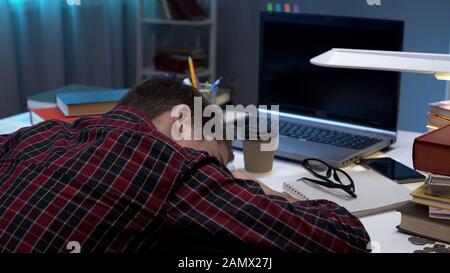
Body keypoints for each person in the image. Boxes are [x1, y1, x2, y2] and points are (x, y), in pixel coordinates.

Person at [0, 77, 370, 253]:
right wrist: (262, 191)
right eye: (217, 160)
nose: (217, 174)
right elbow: (343, 239)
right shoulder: (169, 163)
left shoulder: (34, 135)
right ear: (182, 121)